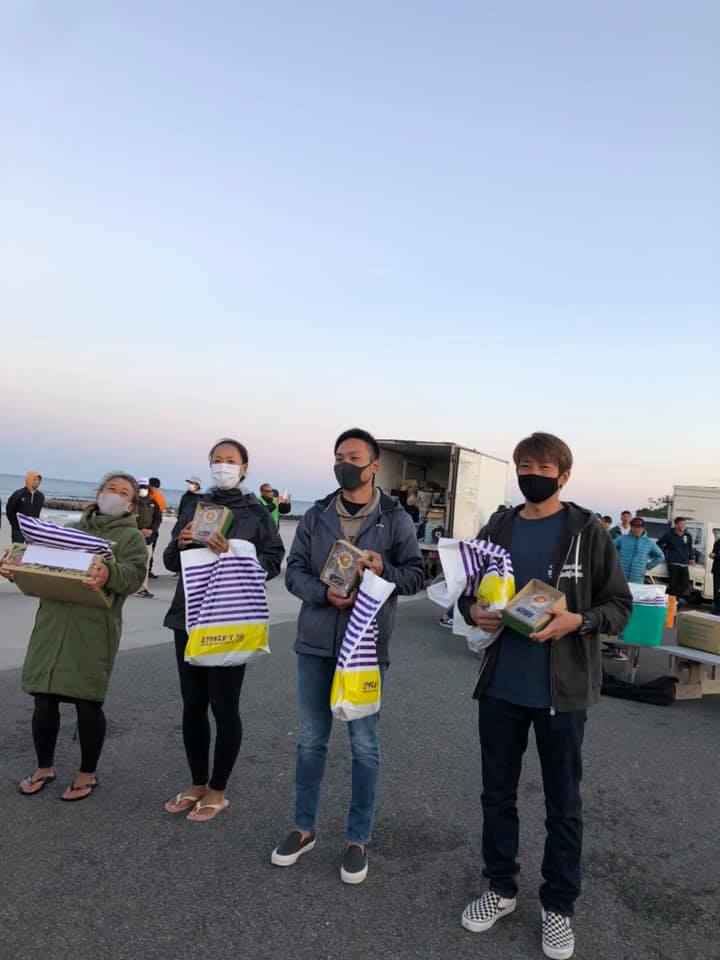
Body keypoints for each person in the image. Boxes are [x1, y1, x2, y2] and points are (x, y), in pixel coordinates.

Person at [458, 432, 631, 960]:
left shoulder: (587, 531)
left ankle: (558, 905)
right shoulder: (499, 526)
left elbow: (619, 606)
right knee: (496, 795)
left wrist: (578, 621)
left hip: (563, 690)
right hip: (501, 685)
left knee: (564, 804)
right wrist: (472, 610)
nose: (530, 474)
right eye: (523, 465)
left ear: (564, 475)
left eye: (542, 467)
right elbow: (468, 589)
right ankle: (500, 887)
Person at [271, 427, 424, 885]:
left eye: (353, 457)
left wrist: (384, 570)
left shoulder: (395, 518)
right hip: (316, 642)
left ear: (374, 466)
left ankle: (358, 838)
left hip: (366, 646)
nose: (344, 464)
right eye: (339, 456)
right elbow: (293, 572)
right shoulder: (316, 515)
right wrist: (323, 593)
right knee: (311, 740)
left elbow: (415, 575)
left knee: (364, 744)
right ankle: (303, 828)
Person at [162, 438, 285, 823]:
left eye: (231, 460)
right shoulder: (193, 504)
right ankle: (197, 783)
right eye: (217, 459)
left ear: (244, 468)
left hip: (230, 617)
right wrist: (180, 542)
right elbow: (169, 561)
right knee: (193, 704)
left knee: (223, 705)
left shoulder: (256, 510)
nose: (223, 466)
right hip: (188, 615)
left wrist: (233, 552)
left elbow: (273, 561)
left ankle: (218, 788)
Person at [4, 473, 147, 800]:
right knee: (44, 700)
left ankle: (87, 773)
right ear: (98, 494)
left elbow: (133, 576)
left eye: (124, 492)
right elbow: (42, 563)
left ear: (130, 506)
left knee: (87, 703)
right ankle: (44, 767)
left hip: (93, 629)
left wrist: (109, 572)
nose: (115, 494)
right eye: (110, 488)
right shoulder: (69, 529)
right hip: (52, 623)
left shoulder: (131, 539)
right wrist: (17, 567)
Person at [609, 518, 665, 662]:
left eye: (639, 527)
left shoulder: (648, 543)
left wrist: (647, 567)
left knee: (631, 609)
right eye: (634, 527)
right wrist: (614, 563)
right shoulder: (623, 539)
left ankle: (627, 642)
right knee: (617, 606)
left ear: (643, 528)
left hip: (637, 581)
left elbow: (660, 556)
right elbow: (609, 548)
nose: (636, 529)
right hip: (620, 578)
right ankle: (615, 640)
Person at [135, 478, 162, 598]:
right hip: (134, 537)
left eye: (145, 487)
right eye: (141, 487)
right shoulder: (132, 502)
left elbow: (158, 518)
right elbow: (127, 518)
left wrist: (152, 530)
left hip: (148, 538)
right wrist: (139, 530)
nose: (143, 489)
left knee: (145, 563)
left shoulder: (153, 502)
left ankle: (142, 588)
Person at [657, 518, 696, 600]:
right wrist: (665, 553)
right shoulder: (669, 534)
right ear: (676, 525)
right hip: (673, 563)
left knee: (684, 584)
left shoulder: (687, 535)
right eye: (681, 524)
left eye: (684, 524)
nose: (683, 526)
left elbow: (690, 547)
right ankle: (673, 602)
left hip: (684, 563)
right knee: (673, 584)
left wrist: (691, 558)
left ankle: (673, 599)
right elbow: (658, 544)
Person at [6, 472, 45, 543]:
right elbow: (9, 510)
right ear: (29, 480)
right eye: (34, 479)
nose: (37, 482)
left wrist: (36, 526)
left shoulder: (41, 496)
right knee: (18, 549)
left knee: (30, 549)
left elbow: (37, 513)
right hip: (18, 530)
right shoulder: (18, 494)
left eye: (38, 480)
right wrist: (15, 525)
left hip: (32, 530)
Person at [147, 478, 165, 579]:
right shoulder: (160, 497)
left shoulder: (151, 497)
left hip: (148, 528)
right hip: (154, 528)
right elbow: (159, 515)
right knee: (151, 550)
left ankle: (147, 570)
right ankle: (149, 570)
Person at [709, 532, 720, 614]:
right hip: (717, 570)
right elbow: (713, 553)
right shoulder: (718, 542)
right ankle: (717, 608)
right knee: (717, 590)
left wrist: (715, 555)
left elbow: (715, 555)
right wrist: (712, 555)